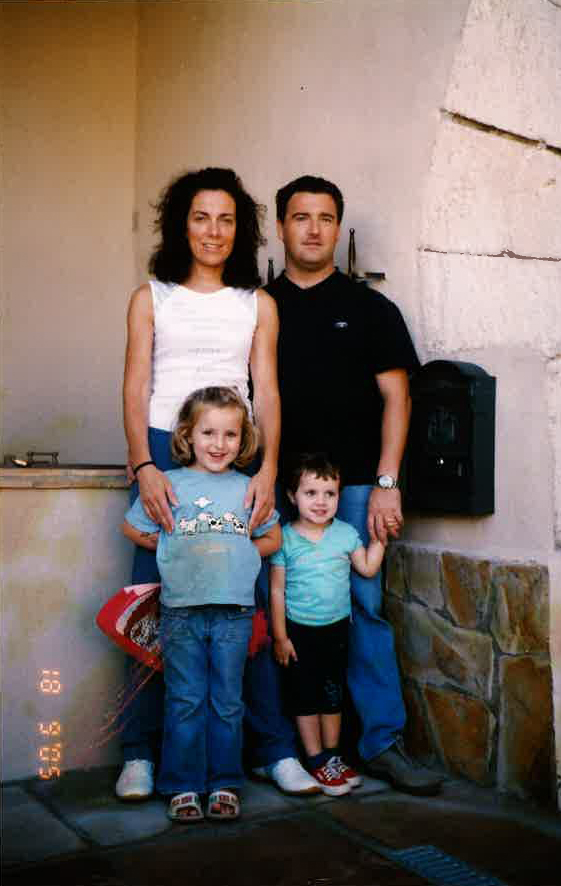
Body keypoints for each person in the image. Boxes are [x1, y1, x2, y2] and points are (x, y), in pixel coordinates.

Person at [116, 167, 315, 801]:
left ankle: (273, 749)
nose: (213, 230)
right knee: (153, 597)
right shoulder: (151, 297)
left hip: (238, 454)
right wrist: (143, 465)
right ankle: (140, 753)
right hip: (162, 453)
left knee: (245, 601)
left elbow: (268, 391)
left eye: (226, 219)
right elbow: (135, 385)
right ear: (182, 224)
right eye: (201, 217)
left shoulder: (257, 304)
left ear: (241, 229)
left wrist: (269, 469)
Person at [255, 175, 442, 795]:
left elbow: (397, 399)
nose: (313, 229)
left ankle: (381, 743)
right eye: (300, 217)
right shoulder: (258, 307)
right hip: (274, 489)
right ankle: (278, 748)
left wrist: (387, 482)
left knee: (363, 610)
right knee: (271, 612)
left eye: (325, 218)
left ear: (339, 227)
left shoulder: (370, 309)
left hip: (356, 488)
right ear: (280, 227)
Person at [122, 387, 281, 821]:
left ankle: (224, 783)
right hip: (181, 612)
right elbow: (131, 527)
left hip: (234, 613)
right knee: (185, 699)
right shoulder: (170, 483)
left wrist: (239, 550)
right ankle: (183, 785)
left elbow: (273, 537)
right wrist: (171, 547)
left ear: (243, 439)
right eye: (208, 433)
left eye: (230, 434)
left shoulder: (248, 487)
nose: (219, 443)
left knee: (227, 701)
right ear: (187, 435)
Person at [270, 453, 385, 796]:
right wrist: (280, 637)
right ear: (292, 496)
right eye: (311, 493)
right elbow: (276, 591)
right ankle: (315, 758)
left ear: (339, 496)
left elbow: (367, 568)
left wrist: (380, 538)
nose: (321, 502)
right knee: (305, 698)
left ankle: (333, 756)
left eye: (330, 494)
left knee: (332, 695)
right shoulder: (284, 538)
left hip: (336, 631)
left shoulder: (346, 534)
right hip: (299, 632)